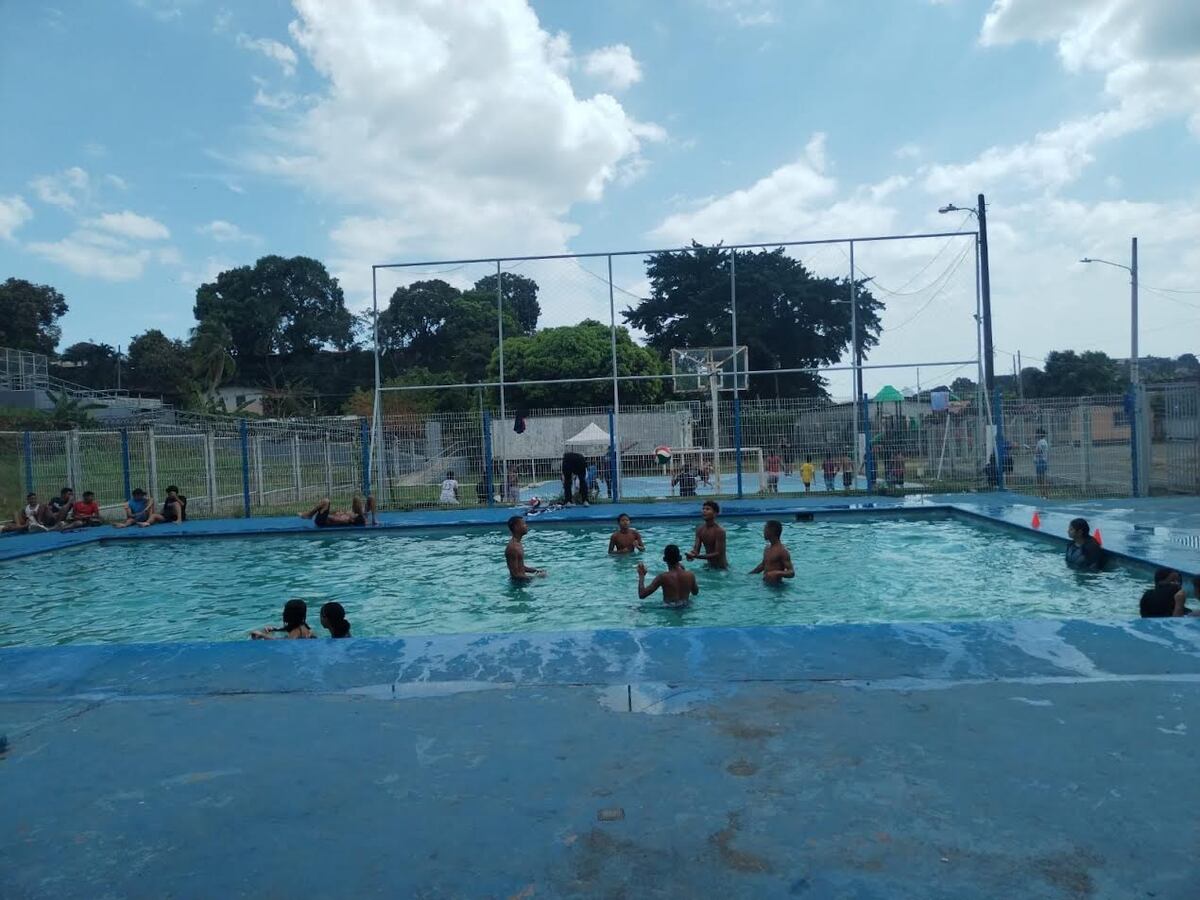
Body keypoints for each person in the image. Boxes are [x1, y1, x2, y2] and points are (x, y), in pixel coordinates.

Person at [687, 500, 727, 569]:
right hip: (709, 566)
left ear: (715, 513)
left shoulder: (719, 531)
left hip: (721, 569)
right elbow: (696, 549)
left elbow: (717, 554)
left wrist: (698, 557)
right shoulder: (700, 530)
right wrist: (691, 555)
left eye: (707, 509)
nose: (704, 511)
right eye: (703, 509)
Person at [250, 598, 315, 639]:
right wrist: (274, 629)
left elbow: (285, 643)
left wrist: (262, 635)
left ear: (288, 615)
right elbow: (289, 629)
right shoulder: (303, 626)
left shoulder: (296, 631)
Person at [505, 515, 546, 581]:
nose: (526, 526)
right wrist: (536, 578)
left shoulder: (518, 543)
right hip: (518, 585)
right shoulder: (513, 548)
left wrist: (536, 570)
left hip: (523, 581)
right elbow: (515, 575)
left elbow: (520, 567)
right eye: (523, 524)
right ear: (516, 527)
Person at [300, 495, 374, 528]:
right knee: (326, 502)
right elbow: (371, 499)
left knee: (326, 501)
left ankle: (310, 514)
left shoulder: (356, 518)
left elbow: (337, 520)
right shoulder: (356, 515)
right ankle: (310, 514)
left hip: (324, 522)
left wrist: (329, 515)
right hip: (324, 520)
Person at [1034, 428, 1050, 498]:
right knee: (1044, 479)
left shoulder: (1039, 442)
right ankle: (1046, 495)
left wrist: (1035, 454)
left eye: (1036, 434)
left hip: (1040, 461)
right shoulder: (1045, 442)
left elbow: (1038, 452)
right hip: (1044, 461)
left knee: (1040, 479)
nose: (1035, 435)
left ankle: (1042, 494)